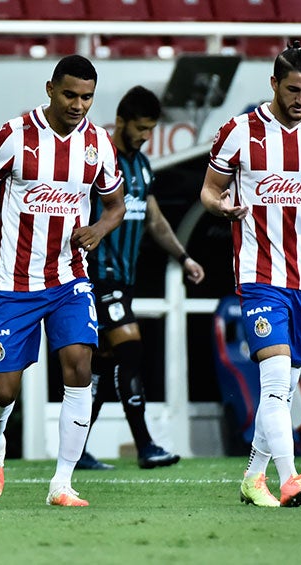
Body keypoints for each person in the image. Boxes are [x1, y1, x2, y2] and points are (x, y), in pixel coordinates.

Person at [0, 55, 125, 507]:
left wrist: (99, 228)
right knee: (4, 389)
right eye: (70, 94)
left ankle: (63, 483)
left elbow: (115, 205)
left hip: (69, 279)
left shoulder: (99, 144)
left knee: (79, 367)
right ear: (50, 87)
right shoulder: (14, 135)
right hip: (14, 283)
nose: (78, 105)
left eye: (87, 97)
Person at [200, 41, 301, 508]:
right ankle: (289, 478)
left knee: (284, 389)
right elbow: (208, 191)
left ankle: (253, 477)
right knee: (273, 384)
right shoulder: (239, 132)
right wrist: (221, 208)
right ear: (273, 83)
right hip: (259, 273)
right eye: (293, 89)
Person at [77, 86, 204, 471]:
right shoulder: (96, 159)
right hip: (97, 275)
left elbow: (155, 220)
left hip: (125, 279)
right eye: (141, 128)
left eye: (150, 129)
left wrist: (183, 257)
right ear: (121, 122)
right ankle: (146, 445)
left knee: (103, 363)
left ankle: (76, 448)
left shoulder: (143, 165)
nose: (145, 136)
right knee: (130, 347)